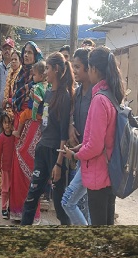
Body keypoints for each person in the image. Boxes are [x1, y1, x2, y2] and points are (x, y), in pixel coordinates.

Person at [64, 46, 123, 225]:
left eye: (88, 68)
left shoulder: (99, 100)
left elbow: (95, 146)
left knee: (98, 229)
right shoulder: (111, 95)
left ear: (94, 69)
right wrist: (81, 147)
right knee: (106, 229)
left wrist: (75, 155)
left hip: (98, 174)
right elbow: (104, 139)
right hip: (110, 172)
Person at [21, 52, 74, 225]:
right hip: (42, 149)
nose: (45, 73)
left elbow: (63, 134)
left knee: (59, 205)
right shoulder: (47, 93)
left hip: (55, 153)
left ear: (57, 70)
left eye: (48, 69)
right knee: (31, 196)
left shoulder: (64, 96)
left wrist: (58, 164)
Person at [9, 41, 44, 221]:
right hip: (19, 120)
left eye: (30, 52)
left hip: (32, 122)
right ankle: (16, 209)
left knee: (29, 162)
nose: (26, 55)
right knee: (17, 163)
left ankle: (30, 213)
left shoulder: (40, 77)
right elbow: (15, 97)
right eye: (25, 52)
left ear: (36, 55)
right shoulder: (21, 74)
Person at [61, 47, 93, 225]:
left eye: (78, 67)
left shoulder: (97, 94)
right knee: (82, 202)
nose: (74, 71)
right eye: (73, 67)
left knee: (69, 200)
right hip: (81, 152)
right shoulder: (78, 92)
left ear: (90, 69)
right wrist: (72, 125)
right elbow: (72, 114)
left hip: (90, 154)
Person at [0, 113, 16, 219]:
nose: (7, 125)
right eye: (5, 123)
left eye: (9, 123)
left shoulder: (14, 136)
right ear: (2, 124)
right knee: (5, 189)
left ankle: (10, 207)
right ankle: (4, 208)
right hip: (5, 168)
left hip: (14, 168)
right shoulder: (1, 137)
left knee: (12, 189)